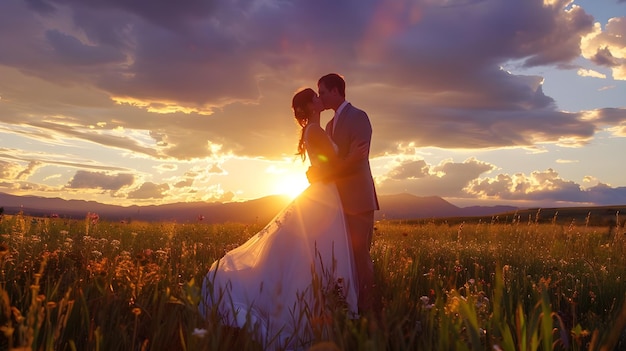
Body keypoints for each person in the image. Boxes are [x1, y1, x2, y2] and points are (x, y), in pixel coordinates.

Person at [199, 88, 359, 350]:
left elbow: (322, 166)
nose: (320, 99)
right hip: (325, 197)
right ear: (310, 106)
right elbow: (330, 166)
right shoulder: (315, 132)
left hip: (325, 194)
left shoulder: (315, 131)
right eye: (316, 97)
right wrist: (351, 158)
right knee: (314, 253)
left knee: (312, 254)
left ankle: (317, 312)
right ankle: (304, 320)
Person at [310, 73, 379, 314]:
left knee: (360, 255)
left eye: (323, 92)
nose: (320, 98)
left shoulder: (359, 117)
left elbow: (359, 160)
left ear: (337, 91)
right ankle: (348, 305)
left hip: (358, 199)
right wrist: (322, 173)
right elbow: (340, 160)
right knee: (343, 255)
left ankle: (368, 308)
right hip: (338, 202)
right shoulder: (329, 125)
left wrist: (329, 171)